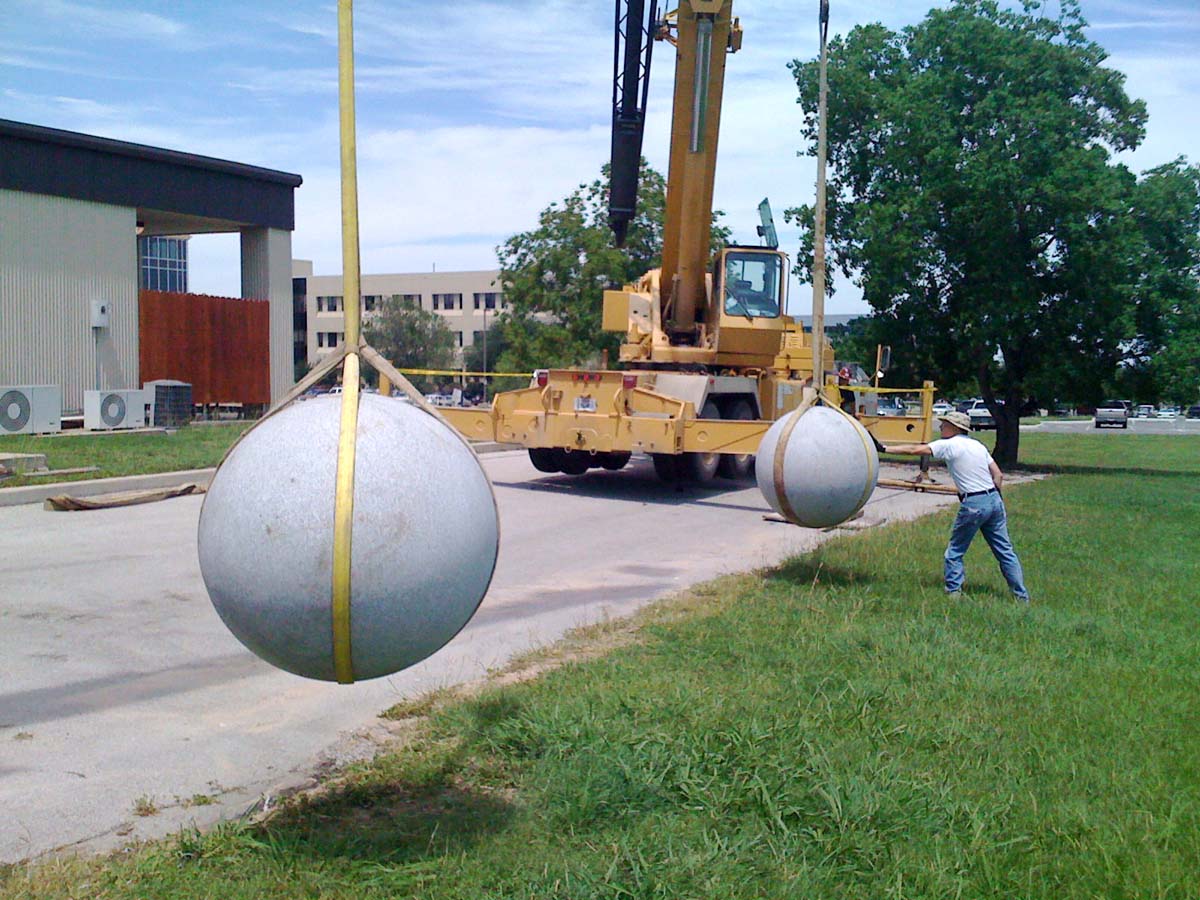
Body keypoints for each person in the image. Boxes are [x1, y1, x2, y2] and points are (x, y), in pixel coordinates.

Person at [886, 411, 1029, 601]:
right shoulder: (978, 445)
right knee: (1005, 551)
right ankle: (1021, 596)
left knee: (955, 551)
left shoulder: (949, 444)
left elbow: (914, 450)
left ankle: (954, 592)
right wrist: (994, 497)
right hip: (994, 500)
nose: (941, 427)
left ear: (955, 428)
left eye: (944, 424)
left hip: (973, 503)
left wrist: (885, 449)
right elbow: (998, 475)